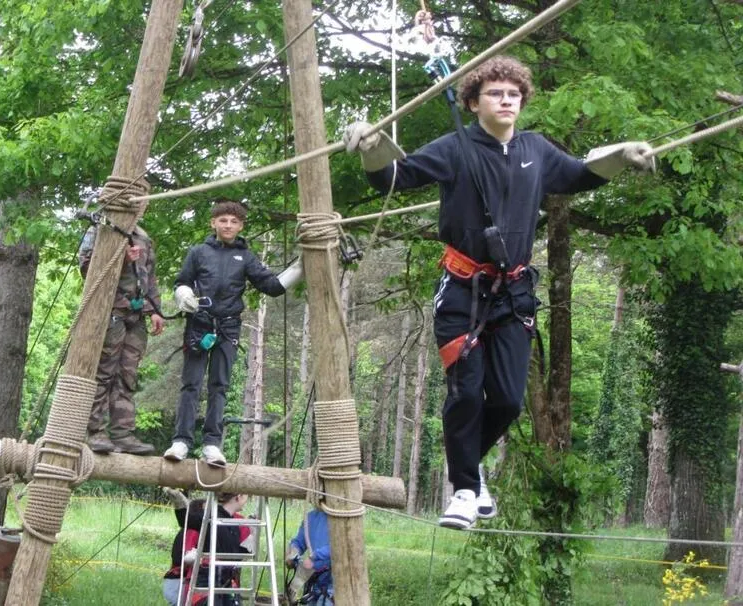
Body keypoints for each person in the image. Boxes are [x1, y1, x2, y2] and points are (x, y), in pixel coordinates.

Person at [343, 56, 655, 530]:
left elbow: (578, 176)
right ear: (473, 103)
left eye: (513, 94)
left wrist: (622, 154)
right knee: (467, 392)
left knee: (508, 400)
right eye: (495, 93)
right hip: (462, 291)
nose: (506, 100)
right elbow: (393, 179)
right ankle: (465, 489)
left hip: (513, 294)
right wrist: (372, 147)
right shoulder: (455, 147)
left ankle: (469, 468)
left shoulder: (536, 150)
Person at [164, 199, 302, 465]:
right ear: (213, 223)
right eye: (223, 220)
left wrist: (300, 268)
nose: (228, 225)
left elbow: (271, 286)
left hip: (228, 327)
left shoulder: (246, 257)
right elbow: (182, 281)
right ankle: (181, 441)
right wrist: (183, 294)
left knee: (219, 385)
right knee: (191, 384)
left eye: (234, 221)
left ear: (241, 226)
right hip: (199, 325)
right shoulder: (198, 252)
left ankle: (211, 444)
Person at [79, 223, 165, 455]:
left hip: (136, 316)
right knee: (104, 371)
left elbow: (150, 277)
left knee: (127, 375)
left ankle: (123, 433)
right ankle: (95, 431)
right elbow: (87, 270)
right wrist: (122, 260)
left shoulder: (143, 237)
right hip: (110, 311)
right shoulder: (99, 230)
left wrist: (155, 310)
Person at [161, 489, 204, 605]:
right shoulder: (192, 531)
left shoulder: (189, 530)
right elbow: (182, 557)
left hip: (176, 582)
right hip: (179, 582)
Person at [286, 508, 333, 605]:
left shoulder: (342, 518)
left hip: (334, 581)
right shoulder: (311, 517)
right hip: (314, 581)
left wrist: (315, 557)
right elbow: (300, 541)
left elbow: (340, 546)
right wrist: (293, 551)